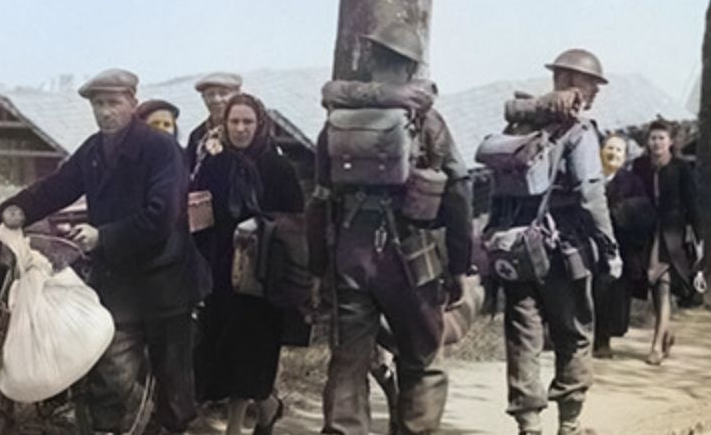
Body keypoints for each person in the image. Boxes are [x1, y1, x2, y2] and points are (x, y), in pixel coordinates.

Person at [0, 69, 202, 434]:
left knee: (173, 388)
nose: (105, 112)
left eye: (114, 103)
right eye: (98, 104)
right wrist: (5, 213)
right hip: (118, 283)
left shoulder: (163, 151)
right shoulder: (94, 150)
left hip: (166, 284)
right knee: (110, 378)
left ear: (133, 104)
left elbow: (161, 217)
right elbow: (55, 188)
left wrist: (104, 237)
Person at [312, 23, 474, 435]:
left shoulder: (339, 119)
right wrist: (459, 265)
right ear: (410, 67)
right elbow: (458, 190)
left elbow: (319, 197)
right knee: (422, 358)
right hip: (410, 254)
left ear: (374, 61)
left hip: (351, 251)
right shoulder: (426, 120)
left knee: (349, 359)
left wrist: (318, 268)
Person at [485, 49, 619, 435]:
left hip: (515, 245)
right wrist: (609, 247)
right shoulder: (579, 131)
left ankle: (528, 425)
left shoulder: (519, 128)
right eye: (592, 83)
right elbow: (591, 194)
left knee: (523, 336)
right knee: (575, 333)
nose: (595, 92)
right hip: (564, 249)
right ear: (574, 82)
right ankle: (570, 424)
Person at [189, 94, 307, 435]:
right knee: (220, 350)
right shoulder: (214, 163)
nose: (240, 129)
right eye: (234, 122)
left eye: (247, 122)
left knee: (250, 351)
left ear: (260, 125)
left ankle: (235, 427)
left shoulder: (277, 167)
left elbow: (295, 221)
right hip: (221, 270)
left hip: (262, 274)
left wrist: (262, 227)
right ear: (224, 125)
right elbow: (200, 213)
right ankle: (268, 407)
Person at [610, 120, 701, 366]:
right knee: (651, 286)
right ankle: (666, 333)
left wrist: (699, 241)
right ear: (647, 142)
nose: (657, 143)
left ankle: (656, 346)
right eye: (653, 138)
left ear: (671, 142)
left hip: (671, 237)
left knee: (663, 286)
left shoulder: (681, 169)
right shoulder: (639, 167)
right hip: (644, 235)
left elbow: (693, 206)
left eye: (662, 138)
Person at [593, 133, 633, 359]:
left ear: (625, 157)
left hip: (618, 246)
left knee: (609, 294)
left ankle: (603, 339)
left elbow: (642, 212)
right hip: (588, 241)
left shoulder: (630, 181)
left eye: (619, 150)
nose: (613, 153)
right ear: (600, 151)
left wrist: (618, 212)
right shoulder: (590, 177)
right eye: (610, 148)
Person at [189, 72, 244, 171]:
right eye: (210, 94)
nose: (216, 100)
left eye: (223, 93)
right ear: (203, 98)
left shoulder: (254, 128)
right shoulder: (197, 136)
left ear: (238, 94)